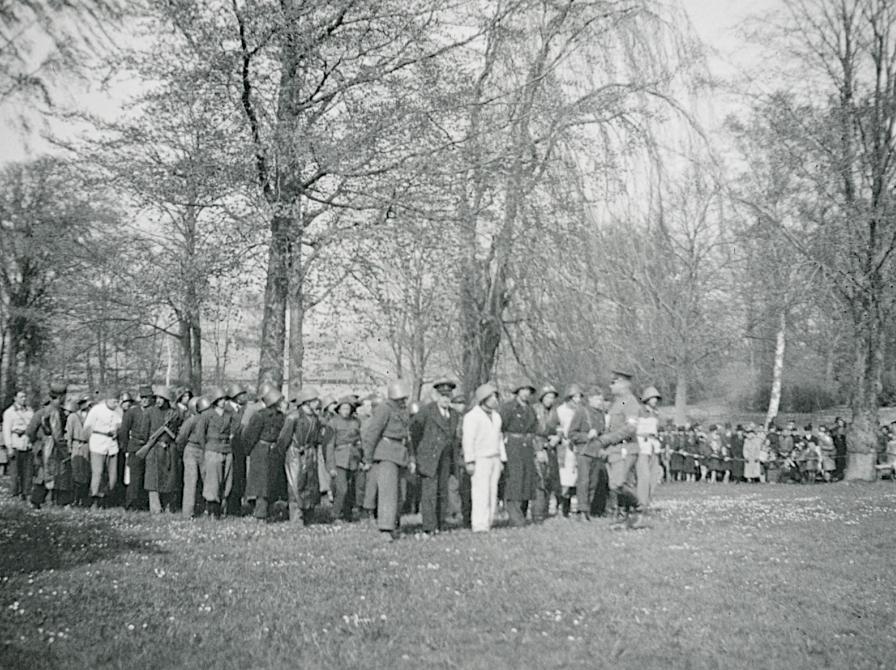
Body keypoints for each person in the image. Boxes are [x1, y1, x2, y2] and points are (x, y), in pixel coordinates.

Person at [361, 380, 412, 540]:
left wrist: (410, 458)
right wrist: (368, 458)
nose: (404, 400)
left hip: (400, 454)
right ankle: (385, 529)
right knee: (388, 493)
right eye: (402, 398)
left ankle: (395, 525)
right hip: (386, 454)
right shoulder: (385, 409)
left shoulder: (403, 411)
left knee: (401, 494)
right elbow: (372, 433)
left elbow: (407, 436)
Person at [595, 369, 645, 529]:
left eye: (613, 382)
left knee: (618, 484)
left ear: (623, 383)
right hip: (614, 450)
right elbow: (610, 427)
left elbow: (630, 428)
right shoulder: (618, 402)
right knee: (616, 485)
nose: (610, 386)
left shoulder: (630, 402)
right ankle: (624, 517)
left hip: (626, 448)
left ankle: (639, 506)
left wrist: (608, 439)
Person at [410, 379, 460, 534]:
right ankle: (429, 526)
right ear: (436, 396)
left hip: (445, 458)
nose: (446, 399)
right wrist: (419, 454)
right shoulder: (426, 411)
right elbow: (415, 433)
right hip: (428, 457)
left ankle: (440, 522)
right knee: (429, 493)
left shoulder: (453, 414)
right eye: (442, 396)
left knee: (442, 491)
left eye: (448, 396)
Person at [278, 387, 325, 525]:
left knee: (311, 485)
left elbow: (317, 438)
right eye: (314, 400)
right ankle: (297, 518)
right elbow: (283, 439)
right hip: (295, 454)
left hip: (310, 454)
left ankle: (309, 516)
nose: (317, 402)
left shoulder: (315, 418)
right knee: (296, 486)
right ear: (306, 402)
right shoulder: (293, 417)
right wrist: (285, 455)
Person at [462, 382, 505, 533]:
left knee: (493, 491)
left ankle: (489, 521)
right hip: (480, 459)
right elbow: (468, 440)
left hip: (495, 457)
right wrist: (470, 461)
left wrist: (502, 459)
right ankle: (479, 524)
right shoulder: (472, 416)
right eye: (491, 397)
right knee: (480, 492)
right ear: (483, 399)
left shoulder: (497, 417)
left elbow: (499, 438)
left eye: (496, 397)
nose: (495, 400)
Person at [242, 388, 286, 521]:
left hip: (273, 451)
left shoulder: (280, 416)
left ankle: (268, 511)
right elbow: (249, 435)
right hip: (261, 452)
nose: (281, 403)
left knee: (272, 483)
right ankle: (260, 513)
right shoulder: (259, 416)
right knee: (262, 485)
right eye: (279, 401)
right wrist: (250, 451)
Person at [498, 382, 538, 527]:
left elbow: (535, 428)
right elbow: (500, 428)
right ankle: (515, 517)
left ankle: (522, 513)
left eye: (528, 390)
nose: (526, 393)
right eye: (523, 389)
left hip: (527, 447)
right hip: (512, 446)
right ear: (517, 391)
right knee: (514, 481)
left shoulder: (531, 410)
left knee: (526, 480)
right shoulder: (508, 408)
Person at [197, 386, 239, 518]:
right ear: (214, 401)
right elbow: (200, 434)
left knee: (227, 481)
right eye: (220, 399)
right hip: (212, 449)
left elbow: (235, 427)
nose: (222, 401)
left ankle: (222, 509)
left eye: (224, 399)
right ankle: (212, 511)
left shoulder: (229, 414)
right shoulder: (207, 415)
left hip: (226, 449)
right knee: (213, 482)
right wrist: (207, 448)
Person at [26, 382, 69, 508]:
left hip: (43, 447)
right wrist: (65, 452)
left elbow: (30, 431)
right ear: (61, 397)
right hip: (52, 448)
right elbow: (57, 435)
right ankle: (45, 501)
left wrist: (37, 442)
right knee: (54, 474)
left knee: (43, 474)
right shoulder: (55, 412)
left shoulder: (41, 411)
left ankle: (37, 501)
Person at [568, 387, 608, 520]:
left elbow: (603, 434)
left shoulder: (601, 414)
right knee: (583, 482)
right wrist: (586, 436)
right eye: (597, 399)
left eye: (601, 399)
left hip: (596, 452)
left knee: (593, 483)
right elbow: (571, 434)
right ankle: (582, 511)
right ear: (590, 399)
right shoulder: (581, 412)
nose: (599, 402)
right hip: (584, 452)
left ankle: (588, 509)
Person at [324, 395, 364, 523]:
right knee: (342, 489)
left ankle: (348, 514)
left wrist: (361, 458)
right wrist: (331, 466)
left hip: (354, 458)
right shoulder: (333, 423)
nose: (346, 411)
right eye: (343, 408)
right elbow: (329, 445)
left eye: (348, 408)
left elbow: (360, 440)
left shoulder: (356, 422)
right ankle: (335, 514)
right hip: (339, 459)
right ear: (338, 410)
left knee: (352, 489)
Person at [144, 386, 182, 513]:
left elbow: (178, 431)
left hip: (169, 449)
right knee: (153, 481)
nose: (158, 401)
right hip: (154, 449)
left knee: (169, 480)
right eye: (157, 398)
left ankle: (168, 507)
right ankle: (155, 508)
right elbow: (144, 433)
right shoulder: (149, 412)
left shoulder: (174, 413)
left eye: (162, 398)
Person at [82, 387, 122, 507]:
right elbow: (87, 428)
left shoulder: (119, 411)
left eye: (117, 401)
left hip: (112, 445)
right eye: (114, 401)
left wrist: (117, 432)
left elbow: (120, 425)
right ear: (108, 400)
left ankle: (106, 499)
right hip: (98, 444)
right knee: (97, 473)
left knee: (112, 476)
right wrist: (89, 442)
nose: (116, 404)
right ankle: (94, 499)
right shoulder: (96, 410)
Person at [119, 386, 154, 511]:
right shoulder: (132, 412)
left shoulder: (153, 411)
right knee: (134, 478)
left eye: (147, 397)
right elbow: (124, 431)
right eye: (143, 397)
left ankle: (143, 504)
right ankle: (131, 504)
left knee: (147, 478)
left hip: (150, 447)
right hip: (135, 447)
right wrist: (126, 448)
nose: (145, 400)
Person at [550, 384, 582, 517]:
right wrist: (561, 435)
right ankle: (561, 507)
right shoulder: (560, 411)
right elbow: (557, 427)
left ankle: (570, 508)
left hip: (577, 446)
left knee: (575, 478)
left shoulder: (580, 411)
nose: (577, 399)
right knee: (564, 478)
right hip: (564, 447)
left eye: (579, 396)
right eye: (575, 397)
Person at [176, 395, 209, 518]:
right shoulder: (192, 420)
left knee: (196, 482)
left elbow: (180, 438)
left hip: (198, 450)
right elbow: (182, 437)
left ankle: (193, 511)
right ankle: (190, 512)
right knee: (194, 481)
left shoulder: (195, 420)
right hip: (193, 449)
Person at [533, 385, 561, 522]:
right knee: (540, 480)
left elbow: (559, 428)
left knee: (550, 479)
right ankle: (537, 512)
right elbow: (531, 431)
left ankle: (545, 510)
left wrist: (558, 437)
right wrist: (537, 449)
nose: (550, 400)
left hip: (551, 447)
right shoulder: (534, 410)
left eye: (552, 397)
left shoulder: (555, 412)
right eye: (548, 397)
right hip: (538, 444)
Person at [3, 390, 34, 501]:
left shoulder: (30, 411)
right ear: (15, 398)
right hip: (16, 444)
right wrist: (9, 447)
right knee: (15, 473)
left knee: (28, 473)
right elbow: (6, 430)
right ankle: (14, 495)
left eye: (25, 397)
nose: (24, 399)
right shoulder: (9, 412)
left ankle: (26, 494)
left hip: (28, 445)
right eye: (21, 397)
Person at [636, 386, 662, 507]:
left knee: (654, 475)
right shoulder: (639, 411)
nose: (655, 400)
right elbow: (634, 429)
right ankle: (641, 502)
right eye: (652, 398)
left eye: (656, 398)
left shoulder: (656, 413)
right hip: (642, 445)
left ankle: (648, 500)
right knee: (644, 475)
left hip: (653, 446)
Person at [226, 383, 249, 516]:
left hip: (240, 447)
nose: (243, 397)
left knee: (240, 476)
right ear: (234, 396)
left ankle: (236, 507)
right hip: (230, 447)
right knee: (231, 477)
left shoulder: (242, 410)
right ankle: (230, 508)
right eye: (241, 395)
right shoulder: (227, 410)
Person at [66, 394, 92, 506]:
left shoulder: (92, 416)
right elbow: (68, 434)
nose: (85, 405)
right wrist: (69, 447)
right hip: (77, 444)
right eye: (82, 403)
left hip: (89, 445)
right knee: (76, 473)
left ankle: (85, 499)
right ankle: (75, 499)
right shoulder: (73, 417)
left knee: (87, 473)